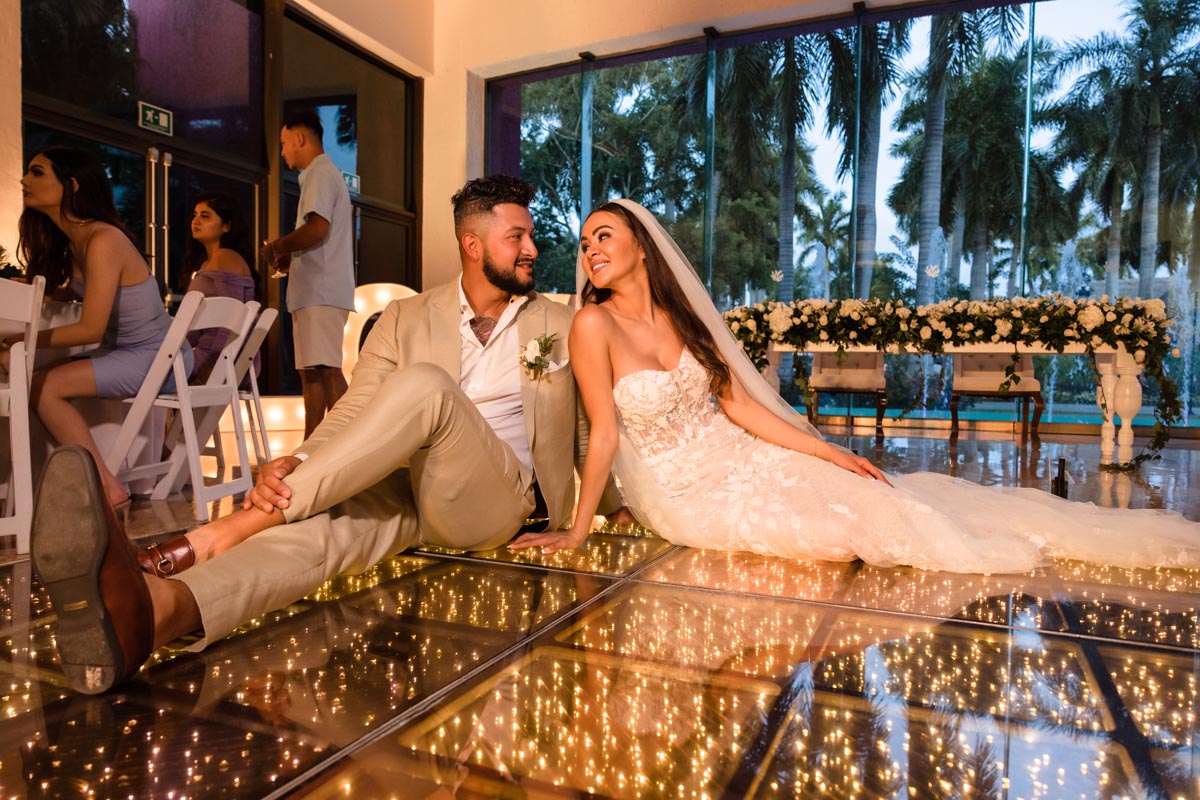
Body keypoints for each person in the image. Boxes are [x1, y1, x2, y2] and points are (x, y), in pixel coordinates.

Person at [29, 175, 626, 695]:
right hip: (410, 489)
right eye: (517, 237)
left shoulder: (563, 323)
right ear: (473, 245)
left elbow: (585, 428)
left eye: (530, 236)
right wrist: (297, 460)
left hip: (502, 502)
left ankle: (214, 535)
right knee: (320, 537)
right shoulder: (405, 317)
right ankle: (160, 612)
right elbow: (354, 411)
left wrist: (617, 507)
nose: (532, 249)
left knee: (426, 386)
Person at [511, 199, 1200, 573]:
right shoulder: (592, 325)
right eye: (585, 243)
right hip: (686, 491)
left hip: (744, 456)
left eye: (605, 236)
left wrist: (826, 450)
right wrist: (579, 529)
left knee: (869, 490)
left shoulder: (681, 318)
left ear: (642, 245)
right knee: (838, 533)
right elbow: (605, 432)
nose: (591, 250)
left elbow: (739, 405)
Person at [7, 146, 192, 508]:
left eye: (37, 172)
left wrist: (20, 338)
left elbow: (90, 329)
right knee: (27, 374)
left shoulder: (102, 239)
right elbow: (78, 292)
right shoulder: (75, 240)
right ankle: (56, 481)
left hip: (157, 357)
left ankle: (106, 487)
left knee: (43, 386)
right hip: (128, 353)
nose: (24, 180)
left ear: (72, 185)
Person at [260, 108, 354, 437]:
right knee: (312, 372)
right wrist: (291, 255)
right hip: (316, 290)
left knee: (326, 370)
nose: (282, 152)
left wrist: (278, 247)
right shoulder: (322, 175)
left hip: (320, 290)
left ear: (300, 139)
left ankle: (349, 448)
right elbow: (317, 234)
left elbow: (317, 229)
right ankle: (312, 447)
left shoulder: (320, 173)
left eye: (284, 143)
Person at [185, 191, 258, 383]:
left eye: (205, 216)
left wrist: (212, 366)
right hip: (213, 356)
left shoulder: (225, 258)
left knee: (143, 366)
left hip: (218, 359)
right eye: (195, 215)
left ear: (227, 226)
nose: (196, 221)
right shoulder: (208, 263)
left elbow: (232, 319)